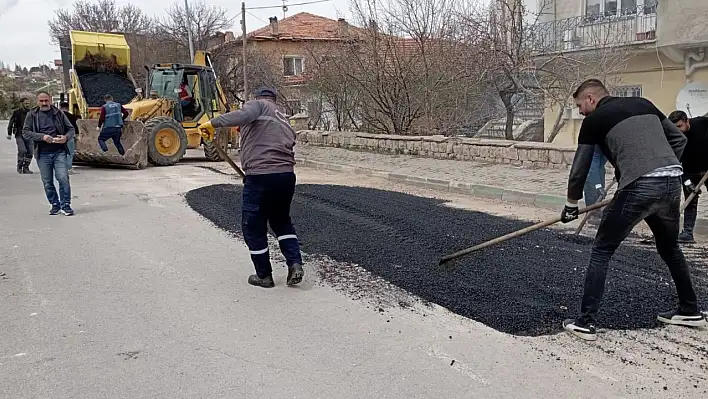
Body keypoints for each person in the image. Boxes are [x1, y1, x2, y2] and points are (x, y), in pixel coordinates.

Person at [560, 79, 705, 341]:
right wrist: (659, 164)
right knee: (670, 247)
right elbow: (678, 138)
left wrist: (571, 205)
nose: (580, 111)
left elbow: (578, 170)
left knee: (602, 249)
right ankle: (690, 309)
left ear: (591, 99)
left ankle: (585, 322)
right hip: (672, 182)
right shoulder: (644, 103)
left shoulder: (593, 121)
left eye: (580, 105)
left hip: (640, 186)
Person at [199, 87, 304, 288]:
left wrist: (212, 122)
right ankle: (295, 263)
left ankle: (263, 275)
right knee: (281, 221)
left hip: (261, 176)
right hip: (286, 176)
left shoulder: (258, 105)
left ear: (259, 98)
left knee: (253, 226)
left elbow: (244, 115)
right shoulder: (282, 118)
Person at [22, 91, 76, 216]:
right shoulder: (32, 115)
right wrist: (42, 137)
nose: (44, 103)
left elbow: (71, 129)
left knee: (63, 178)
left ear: (51, 100)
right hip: (42, 154)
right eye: (41, 101)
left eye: (46, 100)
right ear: (37, 101)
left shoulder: (59, 113)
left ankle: (66, 205)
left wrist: (66, 138)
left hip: (59, 152)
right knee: (47, 181)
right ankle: (55, 205)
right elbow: (26, 132)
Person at [668, 110, 708, 244]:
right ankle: (687, 233)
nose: (677, 130)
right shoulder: (673, 137)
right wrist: (687, 183)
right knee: (690, 200)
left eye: (679, 126)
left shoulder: (701, 123)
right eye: (674, 128)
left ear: (687, 122)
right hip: (689, 171)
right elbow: (676, 163)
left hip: (707, 168)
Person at [6, 98, 33, 174]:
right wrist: (9, 133)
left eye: (28, 103)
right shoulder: (17, 112)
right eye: (26, 103)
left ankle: (26, 167)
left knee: (30, 152)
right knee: (22, 150)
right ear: (22, 104)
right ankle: (19, 166)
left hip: (29, 134)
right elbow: (11, 122)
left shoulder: (31, 113)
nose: (27, 105)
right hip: (19, 134)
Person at [60, 102, 81, 174]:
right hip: (69, 137)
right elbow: (75, 127)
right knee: (69, 153)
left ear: (60, 107)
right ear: (68, 108)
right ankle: (68, 168)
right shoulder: (72, 116)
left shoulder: (56, 116)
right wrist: (77, 136)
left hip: (59, 137)